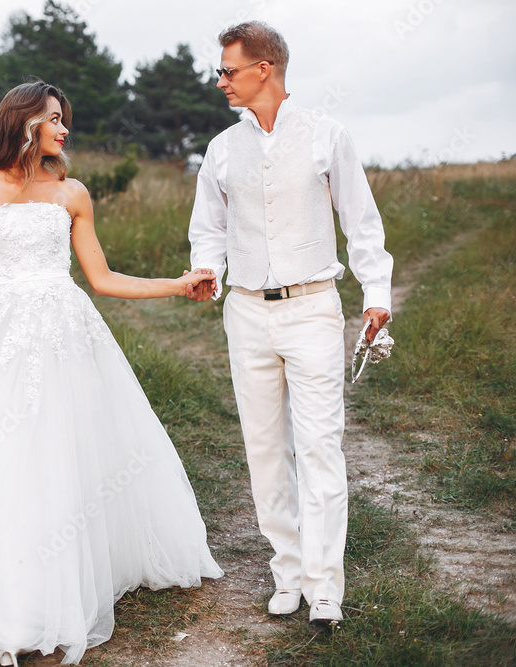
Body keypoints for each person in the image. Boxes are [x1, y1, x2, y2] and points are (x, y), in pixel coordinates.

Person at [0, 80, 224, 665]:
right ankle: (7, 601)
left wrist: (178, 284)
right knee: (0, 455)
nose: (65, 129)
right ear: (24, 122)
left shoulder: (72, 193)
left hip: (66, 335)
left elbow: (102, 279)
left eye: (64, 119)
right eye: (54, 118)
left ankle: (58, 585)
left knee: (62, 454)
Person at [186, 21, 394, 627]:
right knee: (264, 450)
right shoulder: (222, 147)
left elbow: (362, 221)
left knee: (321, 447)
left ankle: (326, 589)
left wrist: (375, 293)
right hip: (246, 312)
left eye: (228, 70)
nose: (220, 80)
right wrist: (207, 269)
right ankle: (288, 572)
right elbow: (208, 227)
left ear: (264, 70)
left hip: (313, 308)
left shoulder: (327, 136)